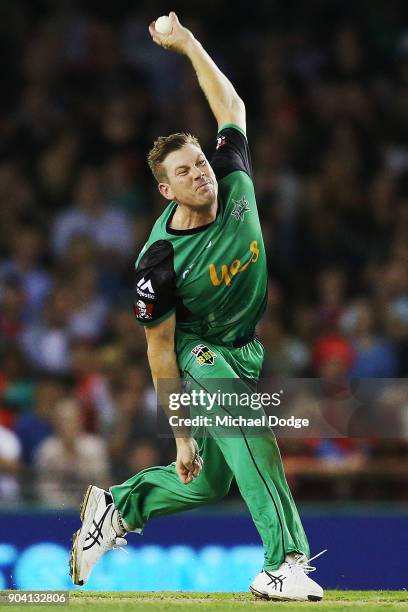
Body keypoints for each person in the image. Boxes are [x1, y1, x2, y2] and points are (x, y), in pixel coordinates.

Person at [69, 13, 324, 601]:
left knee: (211, 481)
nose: (200, 175)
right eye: (184, 173)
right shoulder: (159, 260)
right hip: (199, 352)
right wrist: (179, 432)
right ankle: (283, 562)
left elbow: (230, 105)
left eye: (201, 164)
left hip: (245, 348)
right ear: (166, 190)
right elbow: (159, 349)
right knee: (250, 431)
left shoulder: (234, 180)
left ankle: (118, 507)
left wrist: (187, 45)